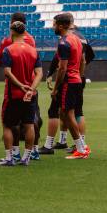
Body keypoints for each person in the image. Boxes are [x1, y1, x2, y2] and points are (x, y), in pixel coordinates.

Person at [41, 24, 94, 154]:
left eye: (54, 24)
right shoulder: (82, 38)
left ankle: (50, 145)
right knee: (76, 112)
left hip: (67, 79)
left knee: (55, 110)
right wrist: (80, 74)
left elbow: (58, 60)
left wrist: (50, 74)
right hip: (78, 78)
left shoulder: (66, 40)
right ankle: (70, 142)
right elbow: (87, 58)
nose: (53, 27)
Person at [0, 12, 40, 162]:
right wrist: (31, 89)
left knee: (8, 125)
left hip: (13, 93)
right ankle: (27, 157)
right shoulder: (33, 50)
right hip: (30, 94)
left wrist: (21, 86)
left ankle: (10, 157)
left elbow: (7, 71)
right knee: (29, 124)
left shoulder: (9, 49)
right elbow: (39, 73)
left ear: (12, 31)